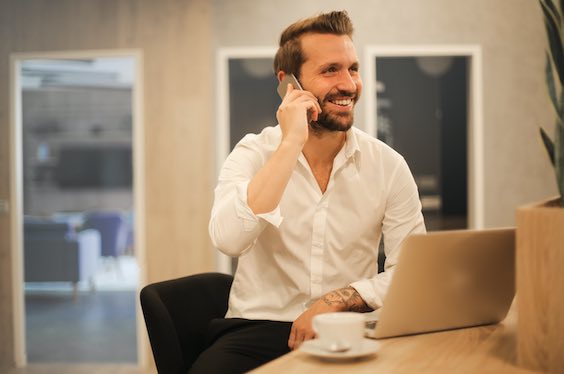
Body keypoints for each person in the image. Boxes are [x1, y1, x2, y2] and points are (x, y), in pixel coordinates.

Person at [192, 10, 426, 373]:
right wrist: (291, 144)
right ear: (290, 85)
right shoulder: (253, 153)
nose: (348, 84)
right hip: (257, 328)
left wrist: (337, 301)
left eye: (353, 68)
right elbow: (229, 240)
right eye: (330, 70)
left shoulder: (389, 166)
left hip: (349, 327)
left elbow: (412, 273)